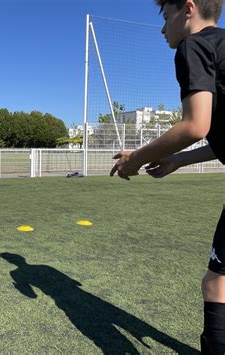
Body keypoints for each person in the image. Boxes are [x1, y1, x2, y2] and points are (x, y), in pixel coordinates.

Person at [110, 0, 224, 352]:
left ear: (187, 9)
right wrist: (178, 161)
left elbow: (195, 125)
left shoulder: (195, 45)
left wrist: (135, 161)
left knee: (217, 283)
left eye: (164, 17)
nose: (162, 28)